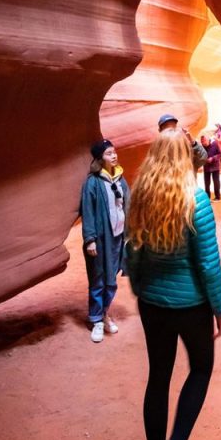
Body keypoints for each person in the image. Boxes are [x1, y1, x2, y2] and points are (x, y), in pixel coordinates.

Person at [125, 128, 221, 440]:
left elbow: (131, 252)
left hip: (154, 304)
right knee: (200, 369)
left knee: (159, 376)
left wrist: (140, 287)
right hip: (191, 306)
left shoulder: (141, 198)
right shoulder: (196, 200)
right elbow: (208, 263)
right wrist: (219, 307)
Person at [80, 138, 130, 343]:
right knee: (98, 279)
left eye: (115, 152)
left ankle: (105, 313)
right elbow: (88, 212)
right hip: (101, 239)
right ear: (100, 158)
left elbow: (128, 205)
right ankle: (96, 320)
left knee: (111, 280)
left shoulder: (120, 179)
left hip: (118, 236)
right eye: (109, 153)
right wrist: (90, 239)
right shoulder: (93, 182)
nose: (114, 155)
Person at [200, 133, 221, 201]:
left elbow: (220, 154)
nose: (203, 143)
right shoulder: (202, 147)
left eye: (204, 141)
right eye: (202, 141)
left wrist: (213, 158)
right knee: (206, 183)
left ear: (208, 139)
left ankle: (218, 197)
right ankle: (207, 197)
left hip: (215, 167)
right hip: (206, 167)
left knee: (216, 182)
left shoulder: (215, 144)